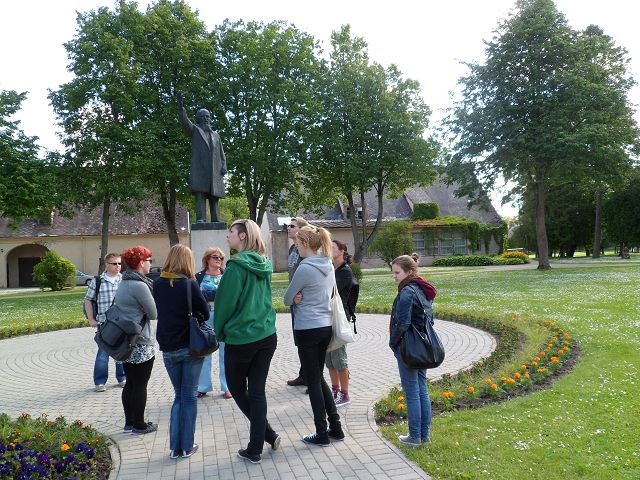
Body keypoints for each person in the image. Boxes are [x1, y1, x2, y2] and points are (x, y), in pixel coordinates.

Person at [214, 219, 281, 464]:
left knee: (236, 387)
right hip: (266, 334)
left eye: (231, 232)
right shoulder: (264, 262)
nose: (228, 236)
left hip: (242, 338)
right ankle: (264, 439)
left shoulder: (235, 267)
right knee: (257, 392)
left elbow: (224, 305)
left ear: (243, 236)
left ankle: (258, 445)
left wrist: (219, 333)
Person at [284, 225, 344, 447]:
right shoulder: (328, 264)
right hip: (325, 326)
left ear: (304, 244)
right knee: (318, 378)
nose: (296, 248)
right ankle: (335, 427)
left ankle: (321, 433)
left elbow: (287, 298)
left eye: (297, 244)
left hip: (307, 328)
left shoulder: (305, 268)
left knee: (313, 380)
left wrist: (295, 298)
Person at [154, 244, 210, 459]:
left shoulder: (157, 283)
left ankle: (175, 448)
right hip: (190, 345)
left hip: (168, 346)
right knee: (189, 396)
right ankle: (186, 446)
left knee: (178, 396)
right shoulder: (189, 284)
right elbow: (205, 313)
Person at [389, 253, 437, 447]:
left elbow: (402, 323)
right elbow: (429, 319)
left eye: (397, 273)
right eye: (393, 272)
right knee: (421, 389)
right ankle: (424, 436)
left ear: (409, 272)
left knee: (412, 392)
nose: (394, 276)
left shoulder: (407, 292)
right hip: (422, 347)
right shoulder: (421, 288)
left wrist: (393, 343)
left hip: (408, 348)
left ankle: (415, 436)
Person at [116, 246, 158, 435]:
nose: (150, 264)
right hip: (140, 341)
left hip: (126, 341)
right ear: (141, 263)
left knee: (131, 383)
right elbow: (154, 313)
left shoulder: (124, 282)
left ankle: (129, 423)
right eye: (149, 260)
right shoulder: (140, 285)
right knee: (140, 384)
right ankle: (139, 425)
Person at [177, 92, 227, 223]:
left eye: (207, 116)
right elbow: (185, 122)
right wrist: (181, 107)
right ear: (198, 119)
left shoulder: (216, 135)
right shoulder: (195, 131)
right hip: (200, 170)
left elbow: (221, 152)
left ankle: (216, 219)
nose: (205, 119)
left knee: (214, 196)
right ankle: (201, 219)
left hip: (215, 171)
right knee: (201, 194)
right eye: (202, 116)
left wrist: (224, 166)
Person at [84, 252, 125, 392]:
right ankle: (100, 382)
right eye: (114, 263)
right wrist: (91, 319)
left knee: (121, 351)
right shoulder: (97, 281)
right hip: (104, 323)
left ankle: (122, 378)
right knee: (103, 353)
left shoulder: (124, 280)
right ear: (106, 265)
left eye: (119, 263)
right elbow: (88, 300)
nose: (118, 266)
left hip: (122, 323)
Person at [195, 247, 231, 399]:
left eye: (221, 258)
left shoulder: (227, 275)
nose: (219, 260)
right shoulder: (199, 276)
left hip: (224, 316)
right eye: (216, 257)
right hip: (205, 316)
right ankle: (203, 387)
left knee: (226, 352)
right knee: (205, 352)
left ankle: (227, 387)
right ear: (207, 259)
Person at [326, 240, 353, 407]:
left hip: (339, 318)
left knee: (339, 358)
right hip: (327, 317)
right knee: (329, 358)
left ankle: (345, 393)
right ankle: (335, 389)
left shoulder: (345, 272)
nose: (329, 249)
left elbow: (328, 290)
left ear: (342, 251)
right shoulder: (330, 268)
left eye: (333, 247)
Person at [285, 216, 310, 388]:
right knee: (299, 339)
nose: (288, 228)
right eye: (288, 226)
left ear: (301, 229)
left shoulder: (306, 250)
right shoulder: (292, 249)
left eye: (292, 226)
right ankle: (304, 374)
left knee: (306, 339)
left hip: (304, 299)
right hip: (294, 299)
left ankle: (312, 378)